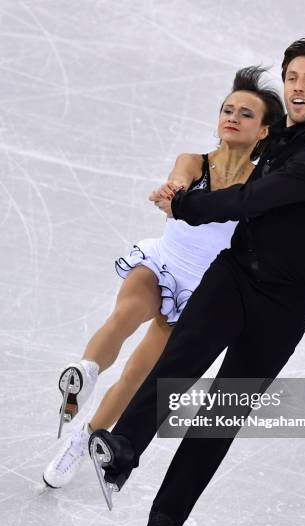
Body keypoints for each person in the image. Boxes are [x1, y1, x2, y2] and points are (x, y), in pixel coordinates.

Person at [89, 37, 305, 526]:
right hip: (233, 277)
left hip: (285, 306)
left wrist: (190, 207)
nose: (298, 87)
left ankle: (166, 517)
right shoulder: (273, 138)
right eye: (292, 77)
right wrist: (176, 185)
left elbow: (254, 197)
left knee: (222, 411)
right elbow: (211, 153)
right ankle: (123, 447)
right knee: (179, 356)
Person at [42, 67, 284, 488]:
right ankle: (85, 372)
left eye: (246, 114)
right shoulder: (196, 162)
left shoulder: (263, 185)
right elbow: (179, 180)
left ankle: (81, 440)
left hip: (201, 295)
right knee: (126, 314)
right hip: (161, 263)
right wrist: (170, 193)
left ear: (264, 130)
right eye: (228, 109)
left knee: (139, 376)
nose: (233, 116)